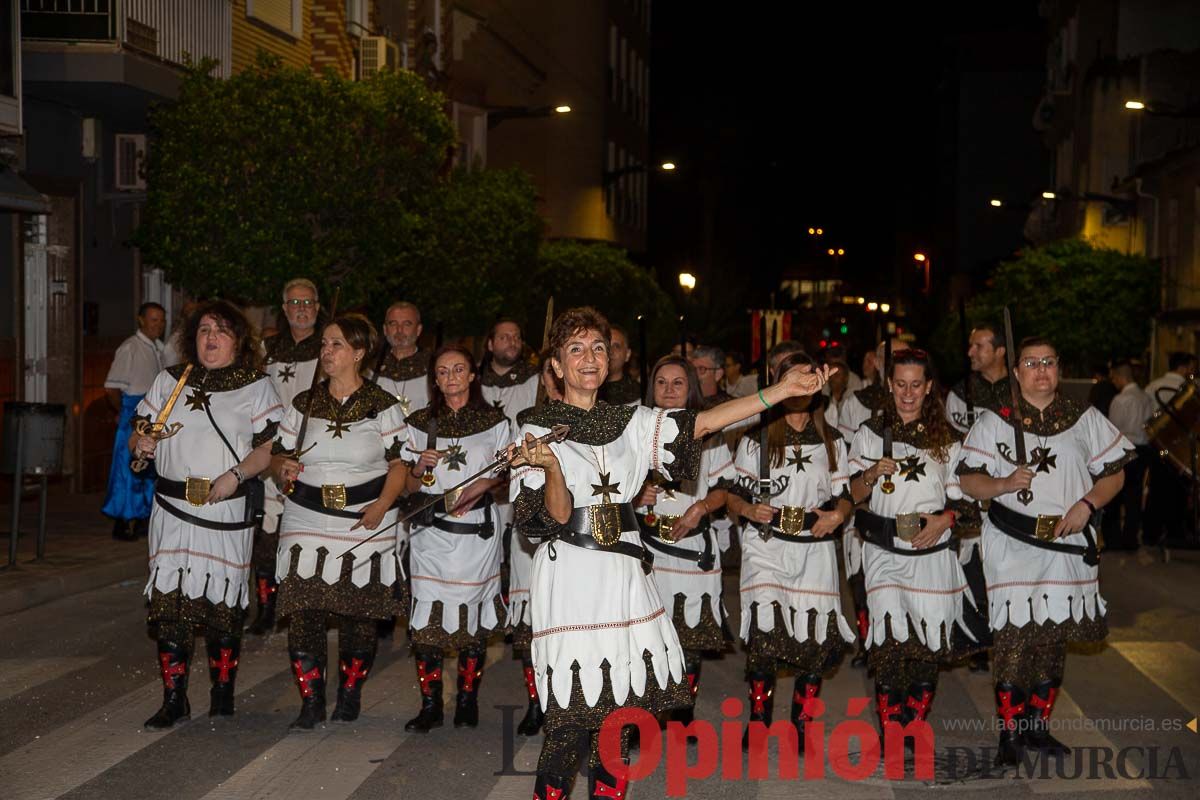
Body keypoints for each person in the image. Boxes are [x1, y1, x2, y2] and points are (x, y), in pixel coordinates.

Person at [509, 307, 832, 800]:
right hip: (570, 582)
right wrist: (551, 465)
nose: (589, 358)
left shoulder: (632, 422)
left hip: (623, 582)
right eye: (575, 349)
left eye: (597, 347)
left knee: (618, 722)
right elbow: (547, 522)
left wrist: (778, 392)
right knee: (568, 728)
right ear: (555, 365)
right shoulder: (532, 429)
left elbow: (701, 423)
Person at [958, 337, 1131, 765]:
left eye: (1049, 362)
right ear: (1016, 372)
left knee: (1051, 640)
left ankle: (1037, 727)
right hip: (1012, 546)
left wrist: (1086, 504)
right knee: (1015, 638)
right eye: (1031, 363)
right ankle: (1010, 733)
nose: (1041, 370)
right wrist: (1002, 485)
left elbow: (1115, 475)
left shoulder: (1084, 418)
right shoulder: (995, 421)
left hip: (1066, 546)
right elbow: (967, 480)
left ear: (1058, 368)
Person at [130, 300, 282, 728]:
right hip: (172, 511)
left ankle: (222, 692)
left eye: (221, 330)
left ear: (238, 340)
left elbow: (271, 447)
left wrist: (236, 475)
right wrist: (139, 446)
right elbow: (139, 430)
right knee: (170, 607)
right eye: (203, 330)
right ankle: (174, 697)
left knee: (221, 604)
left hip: (225, 511)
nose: (211, 338)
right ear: (191, 338)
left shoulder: (256, 385)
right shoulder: (170, 381)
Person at [271, 314, 408, 730]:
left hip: (364, 517)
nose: (326, 353)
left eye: (335, 345)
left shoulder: (383, 404)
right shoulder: (304, 402)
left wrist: (383, 505)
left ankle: (349, 693)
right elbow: (278, 454)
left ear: (359, 353)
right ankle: (311, 701)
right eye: (324, 345)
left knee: (358, 613)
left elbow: (399, 463)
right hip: (305, 517)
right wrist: (284, 468)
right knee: (304, 608)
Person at [849, 348, 981, 753]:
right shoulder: (871, 433)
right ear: (890, 385)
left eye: (916, 385)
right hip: (884, 554)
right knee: (888, 642)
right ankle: (891, 731)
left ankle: (912, 725)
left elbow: (967, 504)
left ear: (928, 389)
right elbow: (851, 494)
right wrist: (871, 473)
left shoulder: (950, 441)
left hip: (931, 556)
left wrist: (944, 520)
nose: (908, 393)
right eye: (900, 384)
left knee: (925, 646)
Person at [726, 350, 855, 753]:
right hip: (766, 546)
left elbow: (845, 495)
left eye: (807, 377)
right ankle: (760, 721)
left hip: (814, 548)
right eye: (791, 378)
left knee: (812, 640)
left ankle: (800, 723)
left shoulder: (832, 441)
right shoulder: (756, 440)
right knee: (766, 636)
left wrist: (838, 516)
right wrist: (748, 509)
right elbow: (731, 495)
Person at [403, 344, 512, 733]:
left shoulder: (496, 422)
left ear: (472, 375)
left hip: (475, 535)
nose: (451, 377)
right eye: (443, 371)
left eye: (458, 369)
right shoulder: (418, 423)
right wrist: (418, 467)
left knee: (470, 615)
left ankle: (467, 700)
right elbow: (408, 483)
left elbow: (505, 473)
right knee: (428, 619)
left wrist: (483, 483)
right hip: (431, 534)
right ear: (435, 379)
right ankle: (431, 703)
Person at [633, 356, 733, 730]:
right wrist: (634, 494)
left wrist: (701, 509)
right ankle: (645, 714)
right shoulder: (635, 430)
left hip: (692, 551)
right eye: (662, 382)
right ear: (651, 387)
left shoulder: (710, 432)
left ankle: (681, 713)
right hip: (646, 548)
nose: (670, 390)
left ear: (691, 387)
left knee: (688, 636)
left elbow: (726, 488)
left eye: (678, 383)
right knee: (646, 635)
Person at [478, 319, 544, 735]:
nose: (512, 342)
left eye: (519, 336)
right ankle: (536, 702)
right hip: (507, 493)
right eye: (504, 335)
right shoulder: (475, 385)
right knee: (528, 613)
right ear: (490, 343)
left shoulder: (538, 384)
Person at [251, 278, 323, 636]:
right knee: (266, 536)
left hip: (312, 453)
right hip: (270, 453)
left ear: (318, 306)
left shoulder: (329, 347)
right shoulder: (266, 350)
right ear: (284, 309)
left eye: (308, 302)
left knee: (306, 535)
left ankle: (303, 609)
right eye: (294, 302)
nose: (301, 308)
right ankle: (266, 608)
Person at [836, 335, 910, 669]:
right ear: (876, 362)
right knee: (861, 578)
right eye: (887, 358)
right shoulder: (857, 401)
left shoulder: (919, 404)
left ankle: (901, 640)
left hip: (904, 508)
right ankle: (869, 641)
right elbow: (845, 455)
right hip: (863, 505)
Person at [103, 302, 169, 541]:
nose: (158, 325)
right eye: (153, 320)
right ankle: (121, 521)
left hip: (153, 415)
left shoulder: (159, 349)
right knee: (127, 468)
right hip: (134, 413)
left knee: (150, 468)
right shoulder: (130, 348)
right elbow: (111, 386)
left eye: (161, 320)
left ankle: (143, 518)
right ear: (141, 320)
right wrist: (122, 412)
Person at [1142, 351, 1196, 545]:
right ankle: (1175, 532)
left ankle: (1150, 532)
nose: (1192, 371)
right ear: (1183, 367)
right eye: (1191, 367)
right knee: (1178, 492)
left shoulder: (1151, 387)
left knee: (1156, 488)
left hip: (1156, 446)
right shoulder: (1187, 389)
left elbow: (1146, 417)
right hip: (1181, 450)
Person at [1104, 360, 1152, 551]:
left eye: (1114, 378)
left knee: (1114, 495)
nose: (1114, 382)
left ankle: (1113, 540)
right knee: (1134, 495)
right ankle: (1130, 540)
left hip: (1124, 450)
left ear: (1120, 377)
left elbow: (1113, 429)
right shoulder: (1146, 397)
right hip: (1143, 449)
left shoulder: (1121, 400)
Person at [945, 323, 1009, 434]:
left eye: (979, 346)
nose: (970, 353)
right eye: (971, 346)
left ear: (999, 351)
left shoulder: (1020, 390)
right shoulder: (959, 394)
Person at [373, 301, 430, 418]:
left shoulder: (434, 367)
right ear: (385, 329)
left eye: (407, 324)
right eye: (393, 324)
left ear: (418, 330)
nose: (399, 330)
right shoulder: (370, 369)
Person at [598, 324, 641, 405]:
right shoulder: (585, 390)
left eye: (616, 346)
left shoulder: (641, 394)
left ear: (627, 354)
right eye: (606, 346)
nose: (610, 351)